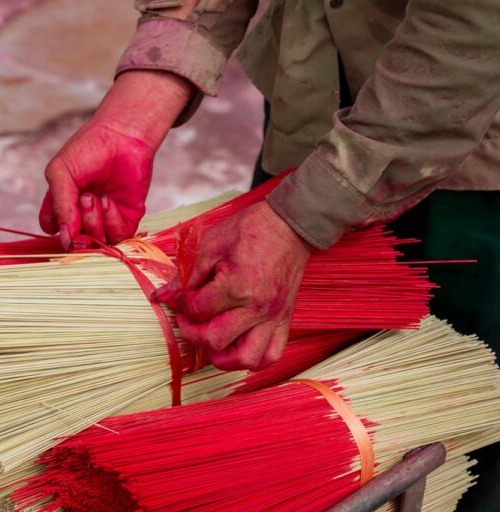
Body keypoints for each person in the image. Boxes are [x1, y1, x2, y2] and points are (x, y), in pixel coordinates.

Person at [38, 2, 500, 509]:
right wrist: (140, 104)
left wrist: (298, 221)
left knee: (459, 416)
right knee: (253, 374)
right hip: (314, 82)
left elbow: (473, 32)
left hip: (474, 151)